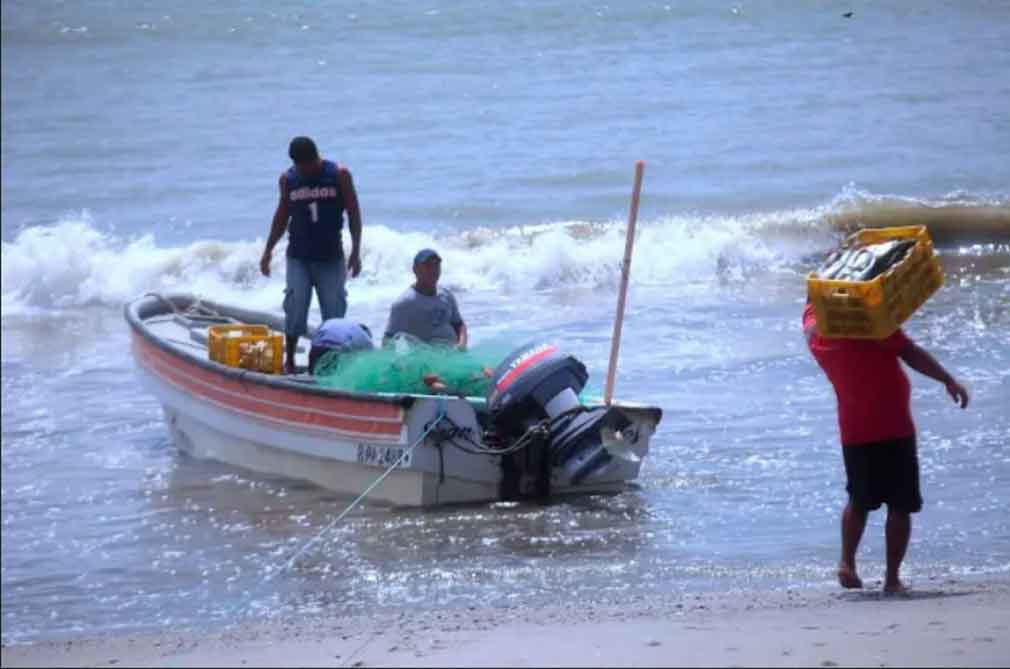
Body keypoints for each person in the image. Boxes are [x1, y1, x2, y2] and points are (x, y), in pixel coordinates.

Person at [803, 299, 969, 594]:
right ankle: (892, 579)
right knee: (900, 504)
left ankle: (847, 562)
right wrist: (947, 379)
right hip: (893, 425)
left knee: (858, 500)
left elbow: (813, 309)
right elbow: (910, 352)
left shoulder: (816, 332)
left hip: (854, 429)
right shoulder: (870, 322)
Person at [260, 136, 363, 374]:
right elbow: (281, 217)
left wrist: (356, 251)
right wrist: (267, 252)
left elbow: (354, 213)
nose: (307, 170)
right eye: (302, 166)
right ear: (295, 164)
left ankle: (333, 363)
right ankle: (290, 360)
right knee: (295, 305)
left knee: (334, 312)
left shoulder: (339, 174)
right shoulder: (288, 179)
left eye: (310, 164)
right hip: (299, 256)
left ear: (317, 157)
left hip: (331, 256)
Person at [384, 248, 467, 349]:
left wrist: (462, 344)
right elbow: (388, 340)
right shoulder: (404, 303)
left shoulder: (447, 295)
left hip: (453, 352)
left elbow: (459, 324)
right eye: (428, 266)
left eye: (436, 265)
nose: (433, 270)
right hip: (426, 355)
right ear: (415, 270)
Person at [308, 318, 374, 375]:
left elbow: (315, 336)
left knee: (312, 373)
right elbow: (373, 357)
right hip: (335, 349)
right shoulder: (364, 336)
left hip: (316, 347)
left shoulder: (341, 324)